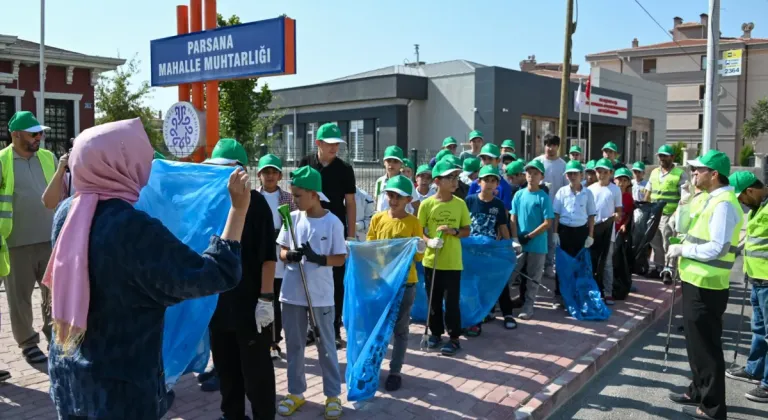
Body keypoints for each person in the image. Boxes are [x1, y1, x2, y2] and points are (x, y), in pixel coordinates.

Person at [46, 118, 248, 419]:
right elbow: (216, 273)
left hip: (69, 377)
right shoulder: (130, 228)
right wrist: (238, 208)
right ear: (122, 163)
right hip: (119, 391)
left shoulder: (67, 213)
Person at [203, 139, 278, 420]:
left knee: (256, 372)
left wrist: (266, 299)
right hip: (218, 304)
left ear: (242, 171)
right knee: (226, 368)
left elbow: (267, 258)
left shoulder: (257, 204)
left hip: (250, 305)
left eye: (230, 170)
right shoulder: (211, 201)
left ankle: (263, 415)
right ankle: (232, 415)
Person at [666, 150, 743, 420]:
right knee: (694, 344)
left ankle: (713, 408)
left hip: (707, 285)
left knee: (706, 349)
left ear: (714, 174)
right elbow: (689, 229)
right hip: (695, 281)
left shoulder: (723, 203)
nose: (694, 173)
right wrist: (685, 205)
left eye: (698, 170)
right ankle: (697, 390)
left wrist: (683, 251)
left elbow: (718, 248)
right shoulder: (710, 199)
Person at [276, 166, 346, 419]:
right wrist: (288, 256)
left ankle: (332, 395)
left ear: (314, 194)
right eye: (293, 195)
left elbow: (340, 259)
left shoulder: (332, 222)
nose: (293, 200)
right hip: (292, 293)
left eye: (298, 195)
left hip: (321, 295)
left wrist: (320, 258)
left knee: (326, 346)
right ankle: (296, 392)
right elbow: (281, 250)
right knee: (294, 345)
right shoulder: (292, 218)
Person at [1, 111, 56, 364]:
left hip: (49, 240)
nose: (40, 137)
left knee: (54, 293)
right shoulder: (2, 161)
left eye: (41, 133)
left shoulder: (48, 157)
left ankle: (54, 334)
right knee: (19, 298)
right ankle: (27, 343)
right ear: (16, 134)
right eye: (34, 133)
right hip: (14, 242)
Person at [365, 175, 425, 391]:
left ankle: (395, 371)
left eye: (399, 196)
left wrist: (422, 246)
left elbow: (418, 257)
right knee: (378, 328)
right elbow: (370, 250)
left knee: (400, 330)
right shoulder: (377, 219)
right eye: (391, 195)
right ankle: (373, 366)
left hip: (405, 284)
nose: (394, 199)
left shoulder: (413, 223)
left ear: (409, 199)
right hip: (381, 283)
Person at [298, 123, 356, 348]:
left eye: (337, 144)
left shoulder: (345, 169)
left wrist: (350, 235)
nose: (334, 148)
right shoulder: (305, 164)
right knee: (310, 277)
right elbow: (298, 195)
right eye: (330, 144)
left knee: (336, 280)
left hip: (335, 229)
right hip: (310, 228)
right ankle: (313, 328)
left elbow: (350, 203)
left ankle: (333, 329)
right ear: (318, 143)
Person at [418, 160, 471, 356]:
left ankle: (454, 338)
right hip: (432, 260)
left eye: (456, 177)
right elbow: (419, 230)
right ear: (437, 181)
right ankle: (435, 334)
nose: (454, 181)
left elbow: (467, 230)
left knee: (451, 302)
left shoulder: (460, 204)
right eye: (450, 177)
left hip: (452, 262)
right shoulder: (426, 204)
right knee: (433, 300)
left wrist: (454, 231)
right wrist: (429, 241)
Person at [725, 171, 768, 404]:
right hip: (757, 279)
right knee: (759, 329)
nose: (740, 203)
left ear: (750, 191)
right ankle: (755, 369)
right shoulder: (758, 208)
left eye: (741, 198)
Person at [256, 153, 298, 363]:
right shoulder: (253, 196)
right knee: (262, 296)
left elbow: (294, 225)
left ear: (280, 175)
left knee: (277, 298)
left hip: (280, 249)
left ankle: (274, 341)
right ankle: (261, 339)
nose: (270, 176)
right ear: (259, 175)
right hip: (259, 250)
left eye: (273, 172)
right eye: (266, 172)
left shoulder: (288, 199)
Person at [465, 165, 516, 333]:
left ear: (497, 185)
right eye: (486, 180)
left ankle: (508, 314)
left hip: (490, 251)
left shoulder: (498, 205)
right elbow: (463, 225)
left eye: (493, 180)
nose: (489, 183)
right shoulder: (469, 201)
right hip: (471, 253)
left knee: (498, 281)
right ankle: (476, 318)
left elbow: (502, 227)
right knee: (473, 285)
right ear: (479, 182)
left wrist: (509, 245)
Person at [509, 160, 552, 320]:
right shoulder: (519, 195)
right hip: (519, 244)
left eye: (535, 173)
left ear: (541, 176)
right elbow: (513, 217)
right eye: (529, 173)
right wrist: (515, 238)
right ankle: (502, 303)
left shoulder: (543, 197)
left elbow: (548, 222)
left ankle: (528, 306)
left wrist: (529, 236)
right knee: (511, 273)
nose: (531, 176)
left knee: (533, 277)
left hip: (537, 245)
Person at [552, 160, 596, 308]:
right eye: (569, 174)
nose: (572, 176)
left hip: (580, 232)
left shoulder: (588, 193)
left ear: (581, 175)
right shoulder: (561, 192)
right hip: (564, 231)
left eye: (575, 173)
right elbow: (556, 214)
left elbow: (591, 216)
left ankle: (577, 296)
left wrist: (590, 235)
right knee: (562, 265)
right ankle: (560, 296)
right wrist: (555, 233)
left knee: (579, 265)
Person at [644, 144, 688, 284]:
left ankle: (669, 271)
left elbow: (685, 197)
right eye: (660, 156)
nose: (662, 158)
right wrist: (645, 210)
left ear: (672, 157)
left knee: (668, 243)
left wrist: (677, 214)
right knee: (655, 243)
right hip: (654, 214)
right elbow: (648, 192)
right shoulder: (654, 172)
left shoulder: (680, 174)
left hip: (670, 214)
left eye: (665, 156)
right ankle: (659, 268)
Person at [588, 158, 623, 305]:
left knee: (607, 262)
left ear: (610, 173)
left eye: (605, 172)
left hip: (608, 233)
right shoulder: (590, 189)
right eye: (599, 172)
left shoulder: (615, 189)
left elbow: (619, 211)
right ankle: (591, 290)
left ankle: (607, 292)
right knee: (591, 261)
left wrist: (616, 217)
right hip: (593, 230)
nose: (601, 175)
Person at [535, 134, 567, 278]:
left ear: (558, 147)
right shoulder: (537, 162)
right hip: (536, 208)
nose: (550, 148)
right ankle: (535, 266)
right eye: (548, 145)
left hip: (554, 209)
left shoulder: (563, 165)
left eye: (554, 145)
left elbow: (566, 189)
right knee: (535, 238)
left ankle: (548, 266)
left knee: (550, 240)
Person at [373, 146, 418, 215]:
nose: (391, 164)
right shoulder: (379, 182)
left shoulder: (407, 182)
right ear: (384, 162)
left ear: (401, 164)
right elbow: (377, 203)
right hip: (382, 223)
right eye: (389, 161)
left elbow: (416, 205)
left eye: (395, 161)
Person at [468, 144, 514, 210]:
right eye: (484, 159)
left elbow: (505, 213)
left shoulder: (504, 187)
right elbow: (468, 207)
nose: (486, 162)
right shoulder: (475, 184)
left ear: (498, 160)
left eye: (490, 158)